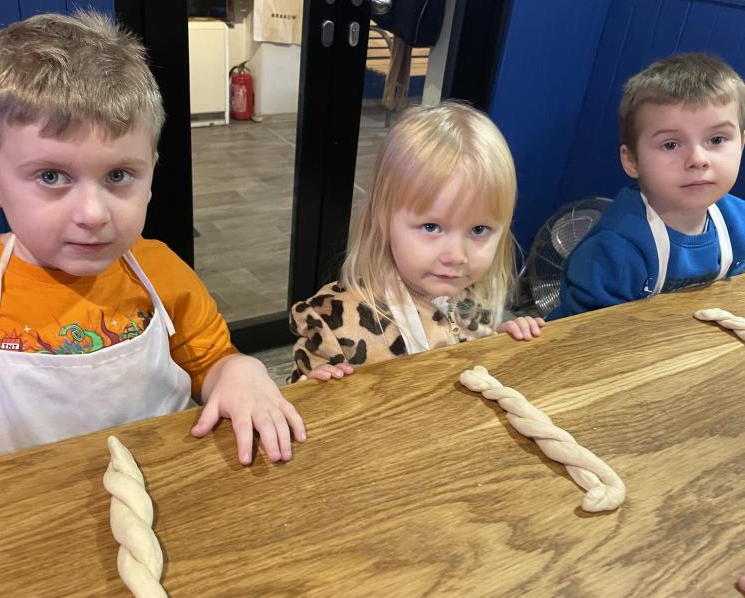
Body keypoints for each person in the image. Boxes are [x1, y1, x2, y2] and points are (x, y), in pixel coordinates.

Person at [0, 11, 305, 510]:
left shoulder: (162, 271)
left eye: (118, 176)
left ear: (151, 173)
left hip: (171, 498)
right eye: (51, 176)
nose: (93, 214)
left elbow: (210, 364)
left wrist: (240, 371)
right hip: (20, 517)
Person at [288, 102, 544, 383]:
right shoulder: (333, 324)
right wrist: (313, 388)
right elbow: (298, 399)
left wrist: (500, 343)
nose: (456, 256)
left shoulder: (476, 296)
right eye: (431, 227)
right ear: (383, 218)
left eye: (479, 230)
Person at [549, 53, 745, 320]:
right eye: (671, 144)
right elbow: (587, 334)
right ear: (631, 161)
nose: (698, 159)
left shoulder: (739, 219)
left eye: (717, 139)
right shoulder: (614, 250)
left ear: (741, 143)